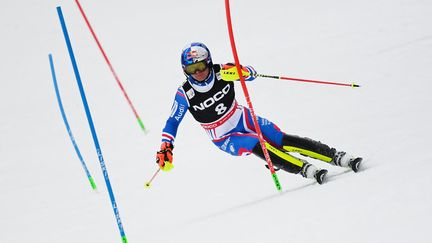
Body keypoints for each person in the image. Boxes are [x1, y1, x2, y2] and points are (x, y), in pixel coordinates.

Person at [156, 42, 362, 184]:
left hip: (242, 117)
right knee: (256, 143)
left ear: (208, 62)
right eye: (192, 69)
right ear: (185, 70)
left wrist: (244, 72)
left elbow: (250, 74)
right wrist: (167, 145)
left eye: (201, 66)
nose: (198, 73)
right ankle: (303, 168)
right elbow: (172, 122)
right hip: (224, 137)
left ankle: (335, 156)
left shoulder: (222, 71)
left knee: (281, 139)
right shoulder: (185, 93)